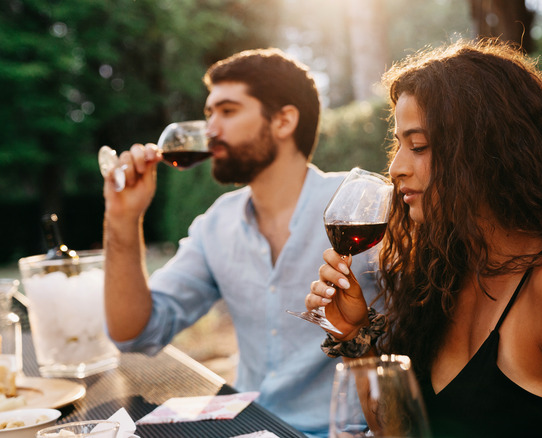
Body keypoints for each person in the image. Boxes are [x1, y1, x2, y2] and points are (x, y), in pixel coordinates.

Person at [307, 39, 542, 438]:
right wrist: (355, 336)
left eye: (419, 146)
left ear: (485, 152)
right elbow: (401, 432)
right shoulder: (445, 269)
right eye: (398, 144)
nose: (396, 167)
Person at [102, 48, 378, 438]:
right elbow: (134, 332)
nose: (210, 128)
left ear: (284, 121)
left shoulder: (359, 211)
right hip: (251, 427)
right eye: (209, 112)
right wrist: (123, 219)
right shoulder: (218, 223)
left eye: (228, 111)